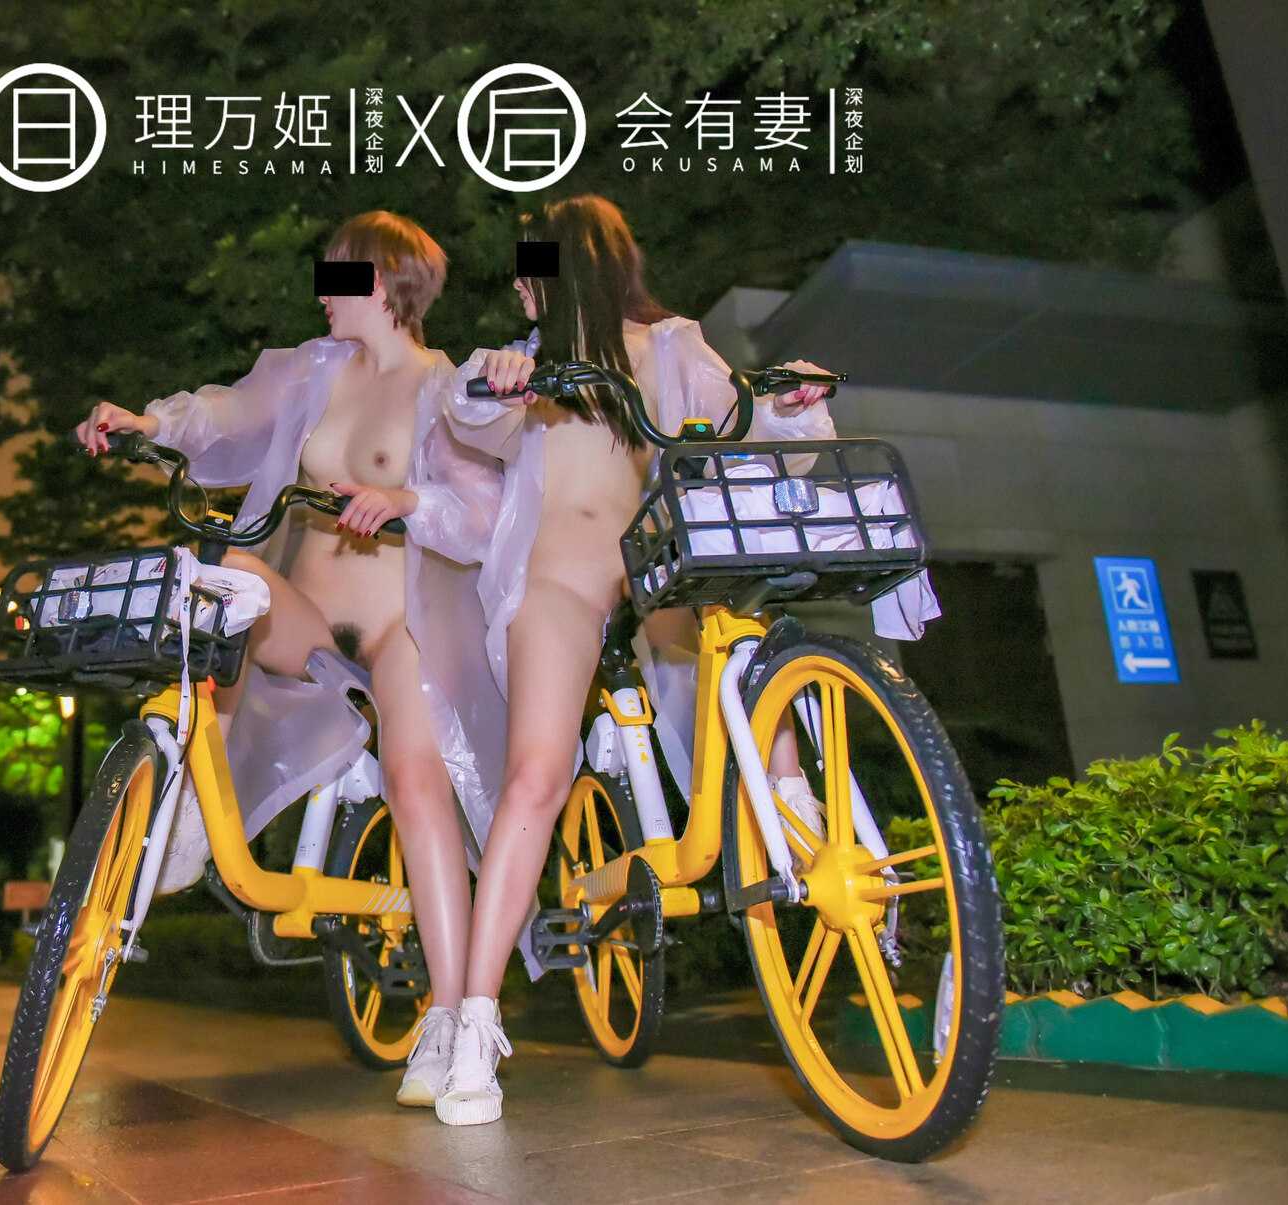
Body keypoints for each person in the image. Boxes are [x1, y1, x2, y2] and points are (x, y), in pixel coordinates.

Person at [432, 195, 853, 1125]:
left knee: (734, 617)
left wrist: (786, 405)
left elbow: (738, 421)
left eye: (527, 270)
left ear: (563, 266)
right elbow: (469, 414)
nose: (516, 288)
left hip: (659, 567)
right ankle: (473, 1019)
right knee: (536, 775)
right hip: (562, 576)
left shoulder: (669, 346)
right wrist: (496, 378)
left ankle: (789, 798)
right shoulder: (529, 365)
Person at [75, 211, 505, 1108]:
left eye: (336, 275)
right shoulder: (315, 370)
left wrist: (405, 499)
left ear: (381, 281)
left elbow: (481, 516)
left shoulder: (445, 389)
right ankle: (196, 801)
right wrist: (146, 420)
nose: (321, 293)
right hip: (305, 620)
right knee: (221, 574)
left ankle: (450, 1017)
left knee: (416, 784)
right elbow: (227, 411)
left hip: (399, 631)